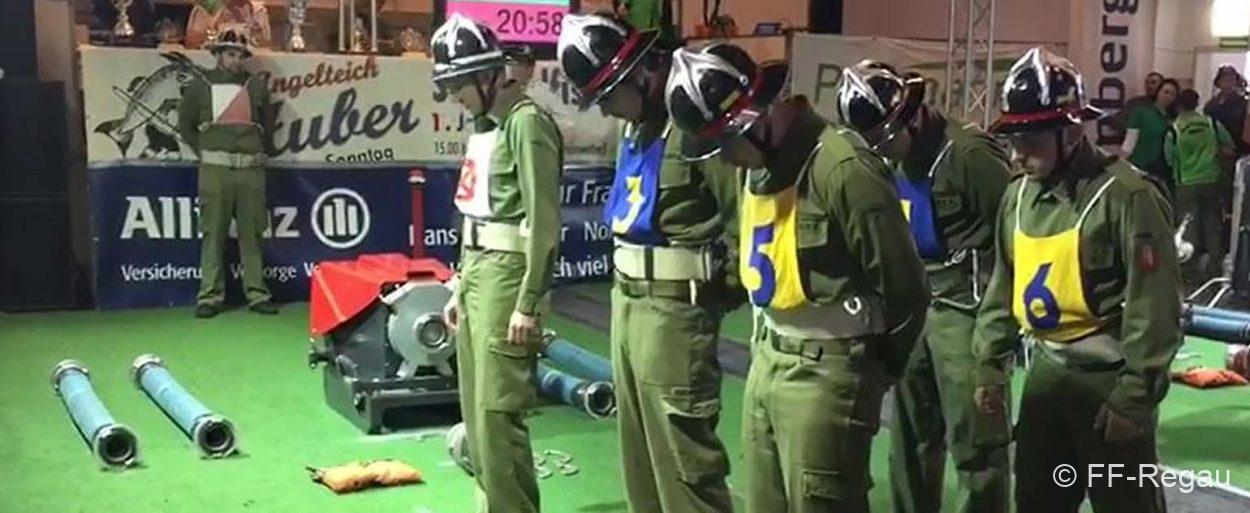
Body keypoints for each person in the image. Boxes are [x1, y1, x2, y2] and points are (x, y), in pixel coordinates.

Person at [666, 44, 927, 513]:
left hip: (829, 371)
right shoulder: (756, 169)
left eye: (727, 143)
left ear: (756, 119)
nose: (726, 161)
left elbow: (905, 288)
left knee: (823, 501)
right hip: (767, 356)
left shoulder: (842, 167)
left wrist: (871, 376)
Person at [974, 47, 1181, 513]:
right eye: (1014, 139)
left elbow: (1156, 305)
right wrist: (988, 364)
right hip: (1046, 379)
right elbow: (1002, 287)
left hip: (1110, 383)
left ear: (1070, 131)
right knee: (1037, 502)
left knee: (1128, 506)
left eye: (1031, 139)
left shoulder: (1128, 197)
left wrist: (1134, 397)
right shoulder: (1017, 197)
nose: (1018, 153)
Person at [557, 14, 739, 513]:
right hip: (629, 301)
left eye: (607, 94)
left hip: (676, 310)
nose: (606, 109)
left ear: (638, 74)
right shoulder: (636, 128)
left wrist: (708, 294)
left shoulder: (694, 124)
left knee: (686, 464)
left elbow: (745, 222)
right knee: (639, 458)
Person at [834, 61, 1012, 513]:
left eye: (884, 138)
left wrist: (999, 330)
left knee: (977, 444)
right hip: (911, 308)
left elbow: (1015, 237)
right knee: (909, 440)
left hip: (965, 312)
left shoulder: (968, 155)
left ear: (910, 117)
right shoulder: (882, 159)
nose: (880, 150)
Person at [432, 14, 563, 513]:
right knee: (476, 414)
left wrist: (529, 301)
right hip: (478, 271)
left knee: (498, 415)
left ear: (486, 74)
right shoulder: (488, 124)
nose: (453, 96)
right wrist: (459, 283)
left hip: (506, 277)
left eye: (457, 85)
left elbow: (544, 220)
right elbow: (478, 210)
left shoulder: (526, 123)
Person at [178, 24, 277, 318]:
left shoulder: (256, 86)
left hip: (251, 171)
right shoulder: (199, 86)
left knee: (253, 233)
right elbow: (185, 126)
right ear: (218, 54)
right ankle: (209, 296)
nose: (236, 60)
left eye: (240, 55)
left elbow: (267, 125)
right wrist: (207, 152)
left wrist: (258, 151)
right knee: (213, 233)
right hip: (216, 170)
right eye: (231, 54)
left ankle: (257, 294)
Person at [1167, 88, 1237, 283]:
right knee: (1213, 225)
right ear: (1197, 103)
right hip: (1211, 181)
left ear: (1178, 105)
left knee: (1188, 228)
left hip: (1186, 183)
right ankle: (1214, 271)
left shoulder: (1174, 128)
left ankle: (1188, 272)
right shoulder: (1212, 123)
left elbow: (1169, 157)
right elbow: (1230, 147)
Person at [1123, 78, 1180, 189]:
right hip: (1141, 166)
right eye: (1166, 92)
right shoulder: (1141, 112)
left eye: (1172, 94)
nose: (1168, 96)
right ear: (1158, 92)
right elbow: (1129, 142)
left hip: (1164, 170)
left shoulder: (1174, 118)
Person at [184, 0, 271, 50]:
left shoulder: (258, 11)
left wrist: (254, 33)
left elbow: (266, 46)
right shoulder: (206, 8)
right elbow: (190, 44)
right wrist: (213, 29)